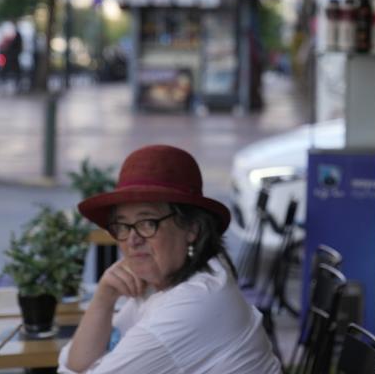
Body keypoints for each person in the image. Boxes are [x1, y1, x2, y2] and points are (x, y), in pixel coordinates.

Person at [58, 145, 283, 374]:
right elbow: (78, 364)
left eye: (148, 223)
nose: (132, 240)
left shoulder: (194, 303)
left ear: (191, 228)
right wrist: (104, 297)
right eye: (123, 225)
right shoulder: (165, 281)